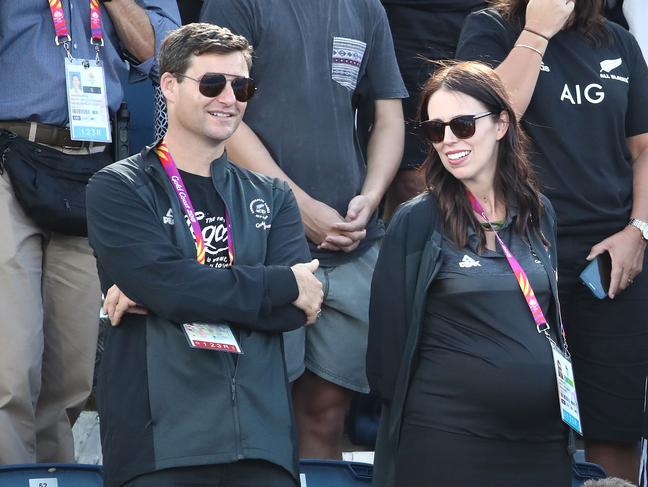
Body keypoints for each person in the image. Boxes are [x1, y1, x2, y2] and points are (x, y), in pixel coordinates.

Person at [86, 23, 324, 487]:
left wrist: (163, 292)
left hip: (262, 443)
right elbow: (170, 286)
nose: (229, 98)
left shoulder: (272, 196)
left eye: (242, 86)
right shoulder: (118, 186)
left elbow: (295, 313)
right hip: (160, 446)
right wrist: (281, 284)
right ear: (170, 87)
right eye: (212, 83)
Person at [200, 0, 407, 459]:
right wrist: (298, 205)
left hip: (350, 241)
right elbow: (215, 111)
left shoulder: (366, 8)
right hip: (256, 239)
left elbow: (390, 117)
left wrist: (371, 200)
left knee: (326, 416)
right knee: (250, 412)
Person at [456, 0, 648, 481]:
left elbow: (645, 147)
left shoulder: (617, 40)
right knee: (519, 421)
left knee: (613, 425)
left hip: (609, 263)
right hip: (516, 257)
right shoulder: (490, 28)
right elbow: (485, 125)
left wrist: (639, 231)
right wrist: (537, 32)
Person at [367, 61, 573, 487]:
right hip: (449, 442)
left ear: (501, 124)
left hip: (540, 443)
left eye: (462, 125)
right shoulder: (417, 219)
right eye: (435, 129)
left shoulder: (539, 212)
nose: (448, 141)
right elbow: (386, 355)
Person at [0, 0, 179, 464]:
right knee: (11, 369)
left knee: (74, 371)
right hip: (10, 152)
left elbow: (163, 54)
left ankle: (52, 475)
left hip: (92, 167)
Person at [378, 0, 487, 221]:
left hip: (486, 19)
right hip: (407, 27)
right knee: (416, 183)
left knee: (482, 168)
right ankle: (412, 251)